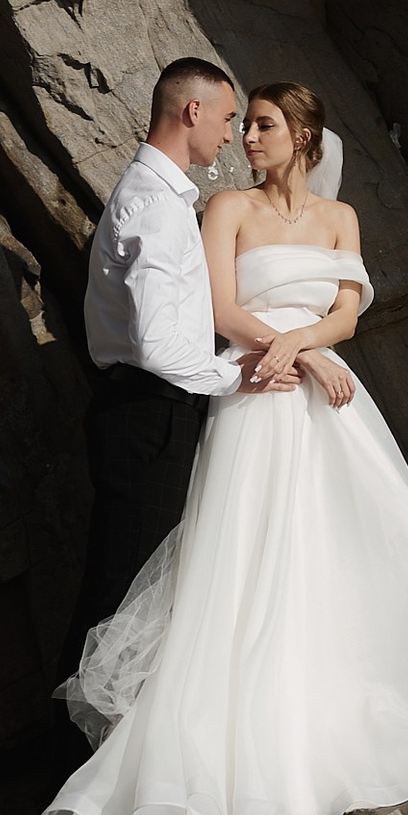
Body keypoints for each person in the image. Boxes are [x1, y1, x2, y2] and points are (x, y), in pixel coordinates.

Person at [36, 76, 408, 815]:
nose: (247, 139)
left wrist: (304, 348)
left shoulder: (340, 220)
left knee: (387, 545)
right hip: (254, 397)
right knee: (246, 566)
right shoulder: (224, 207)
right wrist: (284, 354)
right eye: (243, 124)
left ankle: (344, 711)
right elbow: (219, 309)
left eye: (263, 126)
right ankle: (207, 766)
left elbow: (345, 311)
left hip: (324, 392)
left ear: (303, 135)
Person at [66, 57, 254, 684]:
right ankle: (80, 760)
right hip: (148, 413)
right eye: (227, 118)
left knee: (136, 586)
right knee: (123, 593)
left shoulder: (163, 197)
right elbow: (153, 345)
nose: (230, 134)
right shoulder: (152, 203)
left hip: (149, 410)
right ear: (192, 111)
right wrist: (237, 377)